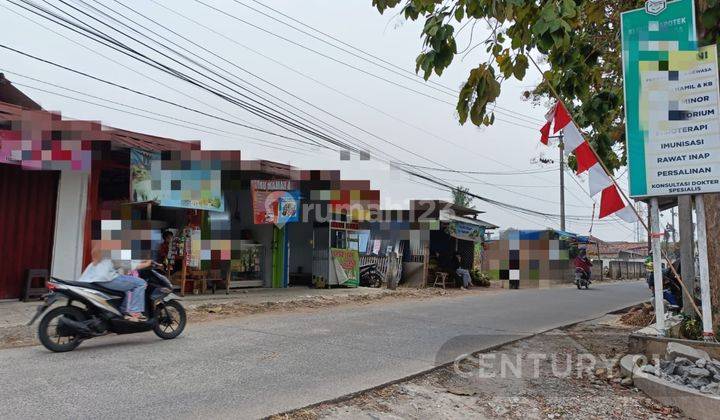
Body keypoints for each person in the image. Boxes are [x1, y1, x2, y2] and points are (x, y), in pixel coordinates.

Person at [78, 245, 153, 322]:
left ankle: (122, 312)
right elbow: (127, 265)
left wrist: (142, 260)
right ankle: (135, 312)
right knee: (140, 283)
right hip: (106, 277)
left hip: (92, 277)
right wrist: (147, 264)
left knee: (126, 286)